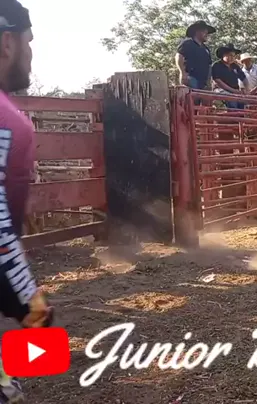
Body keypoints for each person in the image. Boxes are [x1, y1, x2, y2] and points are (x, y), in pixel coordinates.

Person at [0, 1, 55, 401]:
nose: (31, 52)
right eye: (29, 41)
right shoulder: (6, 121)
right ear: (7, 42)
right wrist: (31, 304)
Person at [175, 20, 216, 90]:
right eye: (204, 32)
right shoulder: (188, 43)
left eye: (207, 33)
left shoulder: (206, 49)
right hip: (191, 78)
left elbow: (209, 65)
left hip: (203, 82)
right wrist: (182, 72)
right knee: (191, 96)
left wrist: (209, 81)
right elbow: (179, 56)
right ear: (197, 32)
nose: (206, 35)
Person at [211, 43, 249, 110]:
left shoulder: (235, 66)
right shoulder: (217, 65)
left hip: (235, 91)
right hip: (221, 90)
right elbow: (217, 81)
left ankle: (240, 115)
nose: (232, 58)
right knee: (232, 101)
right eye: (230, 55)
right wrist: (233, 91)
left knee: (243, 102)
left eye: (234, 56)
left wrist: (247, 89)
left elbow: (244, 78)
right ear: (223, 55)